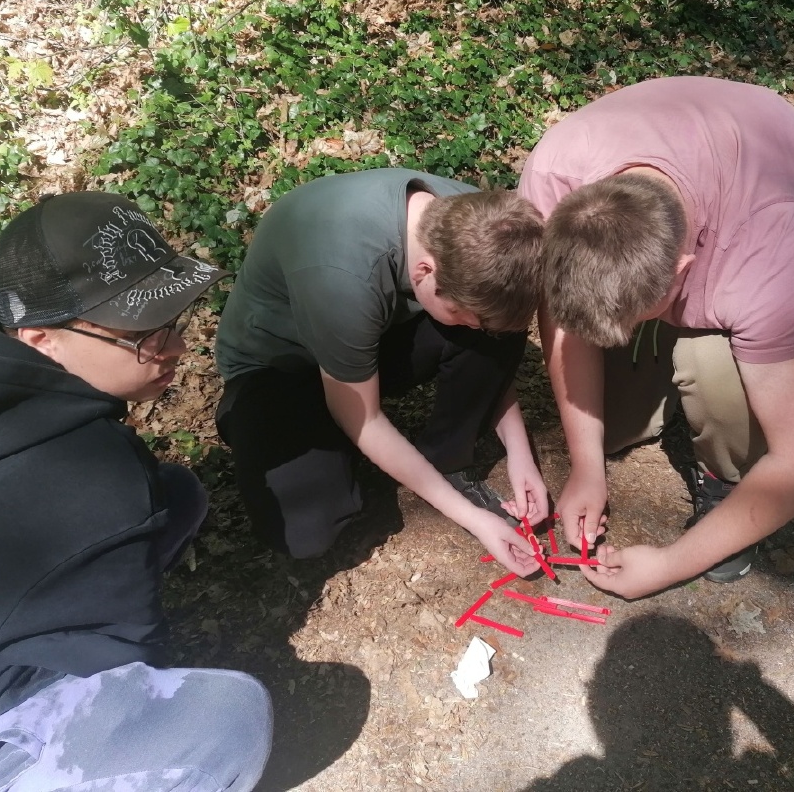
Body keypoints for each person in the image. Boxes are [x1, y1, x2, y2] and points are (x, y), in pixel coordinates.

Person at [0, 192, 273, 792]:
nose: (178, 348)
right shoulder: (95, 479)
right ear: (42, 338)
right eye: (146, 335)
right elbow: (127, 665)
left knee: (175, 493)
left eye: (174, 322)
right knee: (225, 720)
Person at [518, 76, 794, 596]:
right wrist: (586, 465)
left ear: (683, 270)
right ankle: (663, 367)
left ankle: (726, 478)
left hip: (785, 219)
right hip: (700, 196)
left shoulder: (773, 257)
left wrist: (669, 565)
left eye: (635, 320)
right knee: (611, 428)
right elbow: (562, 317)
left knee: (712, 363)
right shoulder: (555, 175)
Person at [215, 167, 547, 575]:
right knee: (306, 530)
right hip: (283, 366)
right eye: (464, 316)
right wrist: (476, 520)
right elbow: (363, 418)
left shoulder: (484, 222)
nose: (475, 331)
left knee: (492, 323)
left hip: (370, 337)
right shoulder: (342, 273)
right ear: (425, 271)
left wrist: (520, 456)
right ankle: (256, 419)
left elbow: (491, 342)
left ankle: (444, 460)